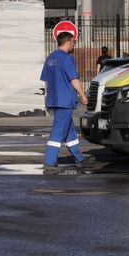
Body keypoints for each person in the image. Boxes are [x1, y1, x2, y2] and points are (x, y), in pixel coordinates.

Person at [40, 32, 93, 174]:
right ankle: (49, 161)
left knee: (69, 131)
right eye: (74, 42)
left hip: (54, 99)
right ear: (68, 42)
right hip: (65, 100)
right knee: (58, 131)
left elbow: (46, 79)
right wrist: (83, 95)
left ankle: (79, 159)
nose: (74, 44)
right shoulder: (67, 58)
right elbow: (73, 79)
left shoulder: (50, 57)